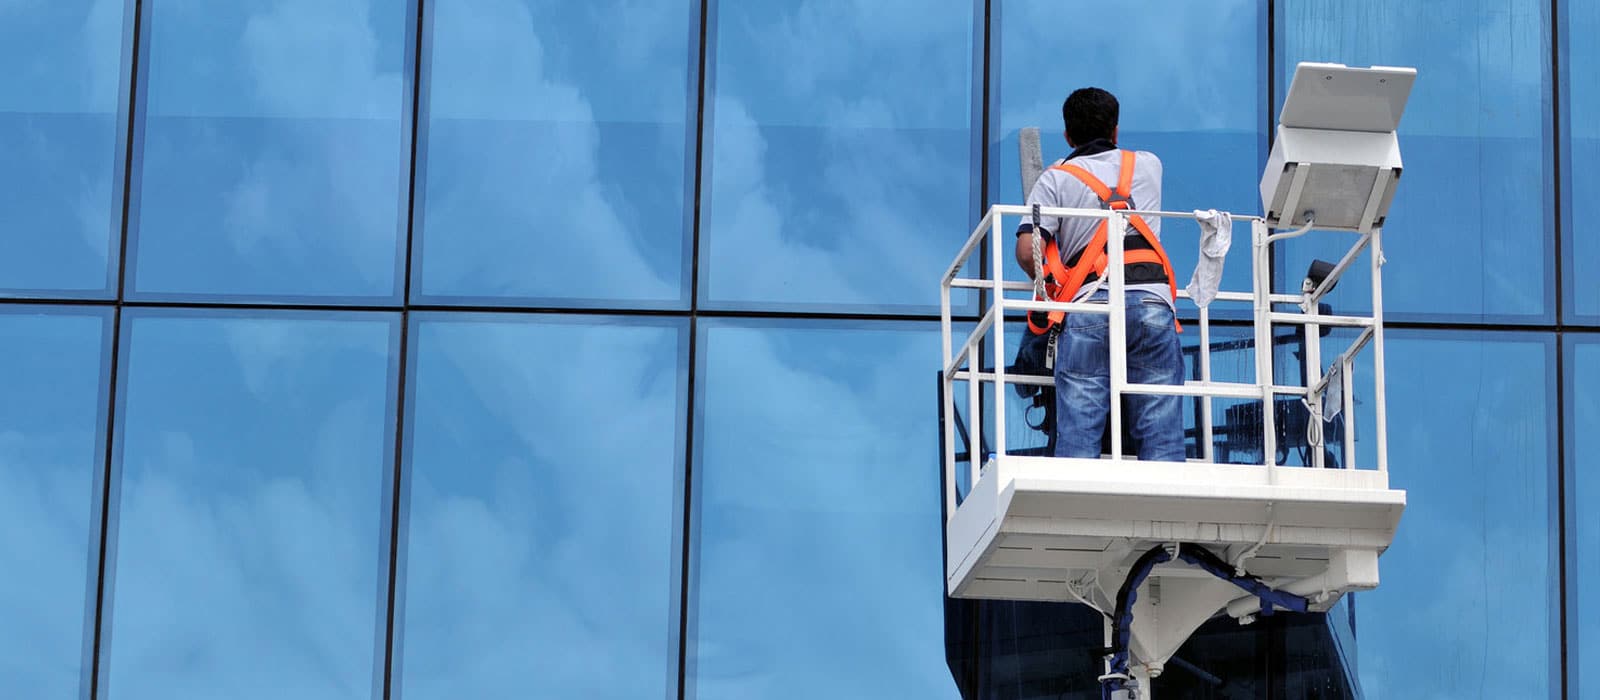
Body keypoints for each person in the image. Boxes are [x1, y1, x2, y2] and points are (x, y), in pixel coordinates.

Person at [1014, 87, 1185, 462]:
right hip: (1152, 306)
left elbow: (1029, 252)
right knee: (1161, 434)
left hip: (1090, 307)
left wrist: (1053, 282)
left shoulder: (1056, 178)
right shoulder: (1149, 166)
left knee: (1078, 434)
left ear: (1068, 135)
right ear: (1116, 130)